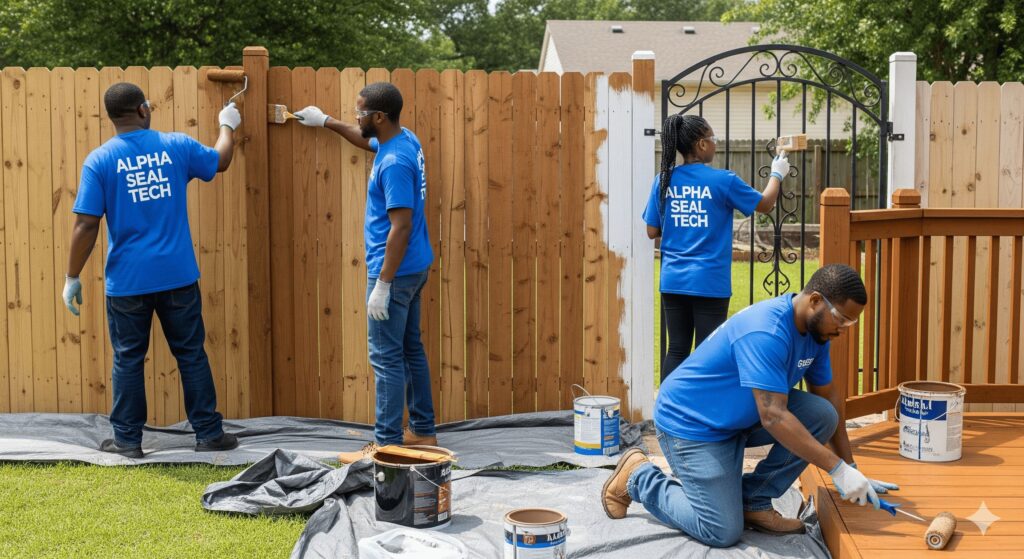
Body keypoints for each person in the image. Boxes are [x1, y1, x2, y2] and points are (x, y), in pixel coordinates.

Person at [601, 264, 900, 547]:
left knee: (822, 415)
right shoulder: (766, 332)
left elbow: (827, 399)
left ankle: (753, 500)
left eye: (851, 322)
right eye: (842, 319)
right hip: (692, 427)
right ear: (815, 300)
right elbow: (773, 416)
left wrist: (850, 466)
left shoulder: (816, 335)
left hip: (738, 419)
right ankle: (639, 477)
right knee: (720, 529)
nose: (844, 329)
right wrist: (837, 470)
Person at [62, 83, 241, 458]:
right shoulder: (176, 146)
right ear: (143, 109)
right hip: (177, 276)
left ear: (113, 117)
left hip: (127, 282)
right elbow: (220, 160)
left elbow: (85, 225)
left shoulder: (100, 160)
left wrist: (72, 276)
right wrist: (228, 125)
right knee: (191, 353)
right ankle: (208, 434)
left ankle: (127, 441)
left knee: (127, 357)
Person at [293, 83, 436, 462]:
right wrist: (325, 121)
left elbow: (400, 226)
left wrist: (383, 285)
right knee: (410, 349)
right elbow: (365, 140)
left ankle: (387, 445)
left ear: (378, 117)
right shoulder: (403, 140)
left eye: (360, 113)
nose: (356, 117)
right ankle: (422, 431)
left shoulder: (393, 164)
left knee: (386, 357)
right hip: (414, 266)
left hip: (396, 272)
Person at [646, 114, 790, 382]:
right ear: (701, 144)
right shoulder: (723, 181)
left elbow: (652, 230)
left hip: (673, 280)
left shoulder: (662, 181)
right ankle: (700, 417)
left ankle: (667, 413)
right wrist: (776, 173)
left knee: (676, 349)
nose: (716, 144)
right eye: (713, 139)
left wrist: (681, 224)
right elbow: (765, 203)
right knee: (707, 351)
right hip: (709, 281)